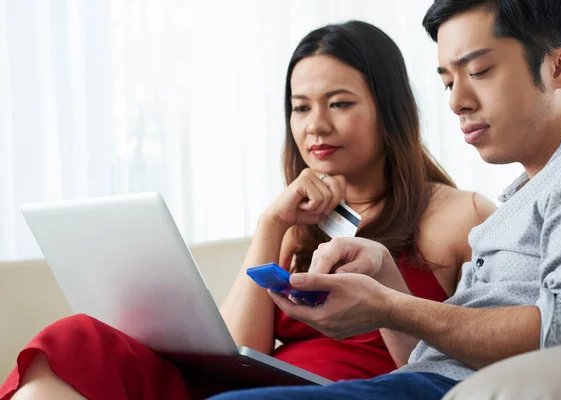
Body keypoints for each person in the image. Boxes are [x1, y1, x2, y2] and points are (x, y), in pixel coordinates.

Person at [0, 21, 490, 400]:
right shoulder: (297, 222)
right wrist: (271, 224)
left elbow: (474, 361)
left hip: (338, 393)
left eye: (339, 104)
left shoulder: (457, 215)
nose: (316, 125)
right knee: (75, 340)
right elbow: (239, 354)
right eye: (300, 108)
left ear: (391, 110)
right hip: (246, 390)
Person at [205, 0, 561, 399]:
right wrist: (385, 280)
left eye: (479, 71)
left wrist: (389, 307)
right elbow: (437, 360)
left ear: (560, 69)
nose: (456, 101)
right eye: (448, 81)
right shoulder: (524, 195)